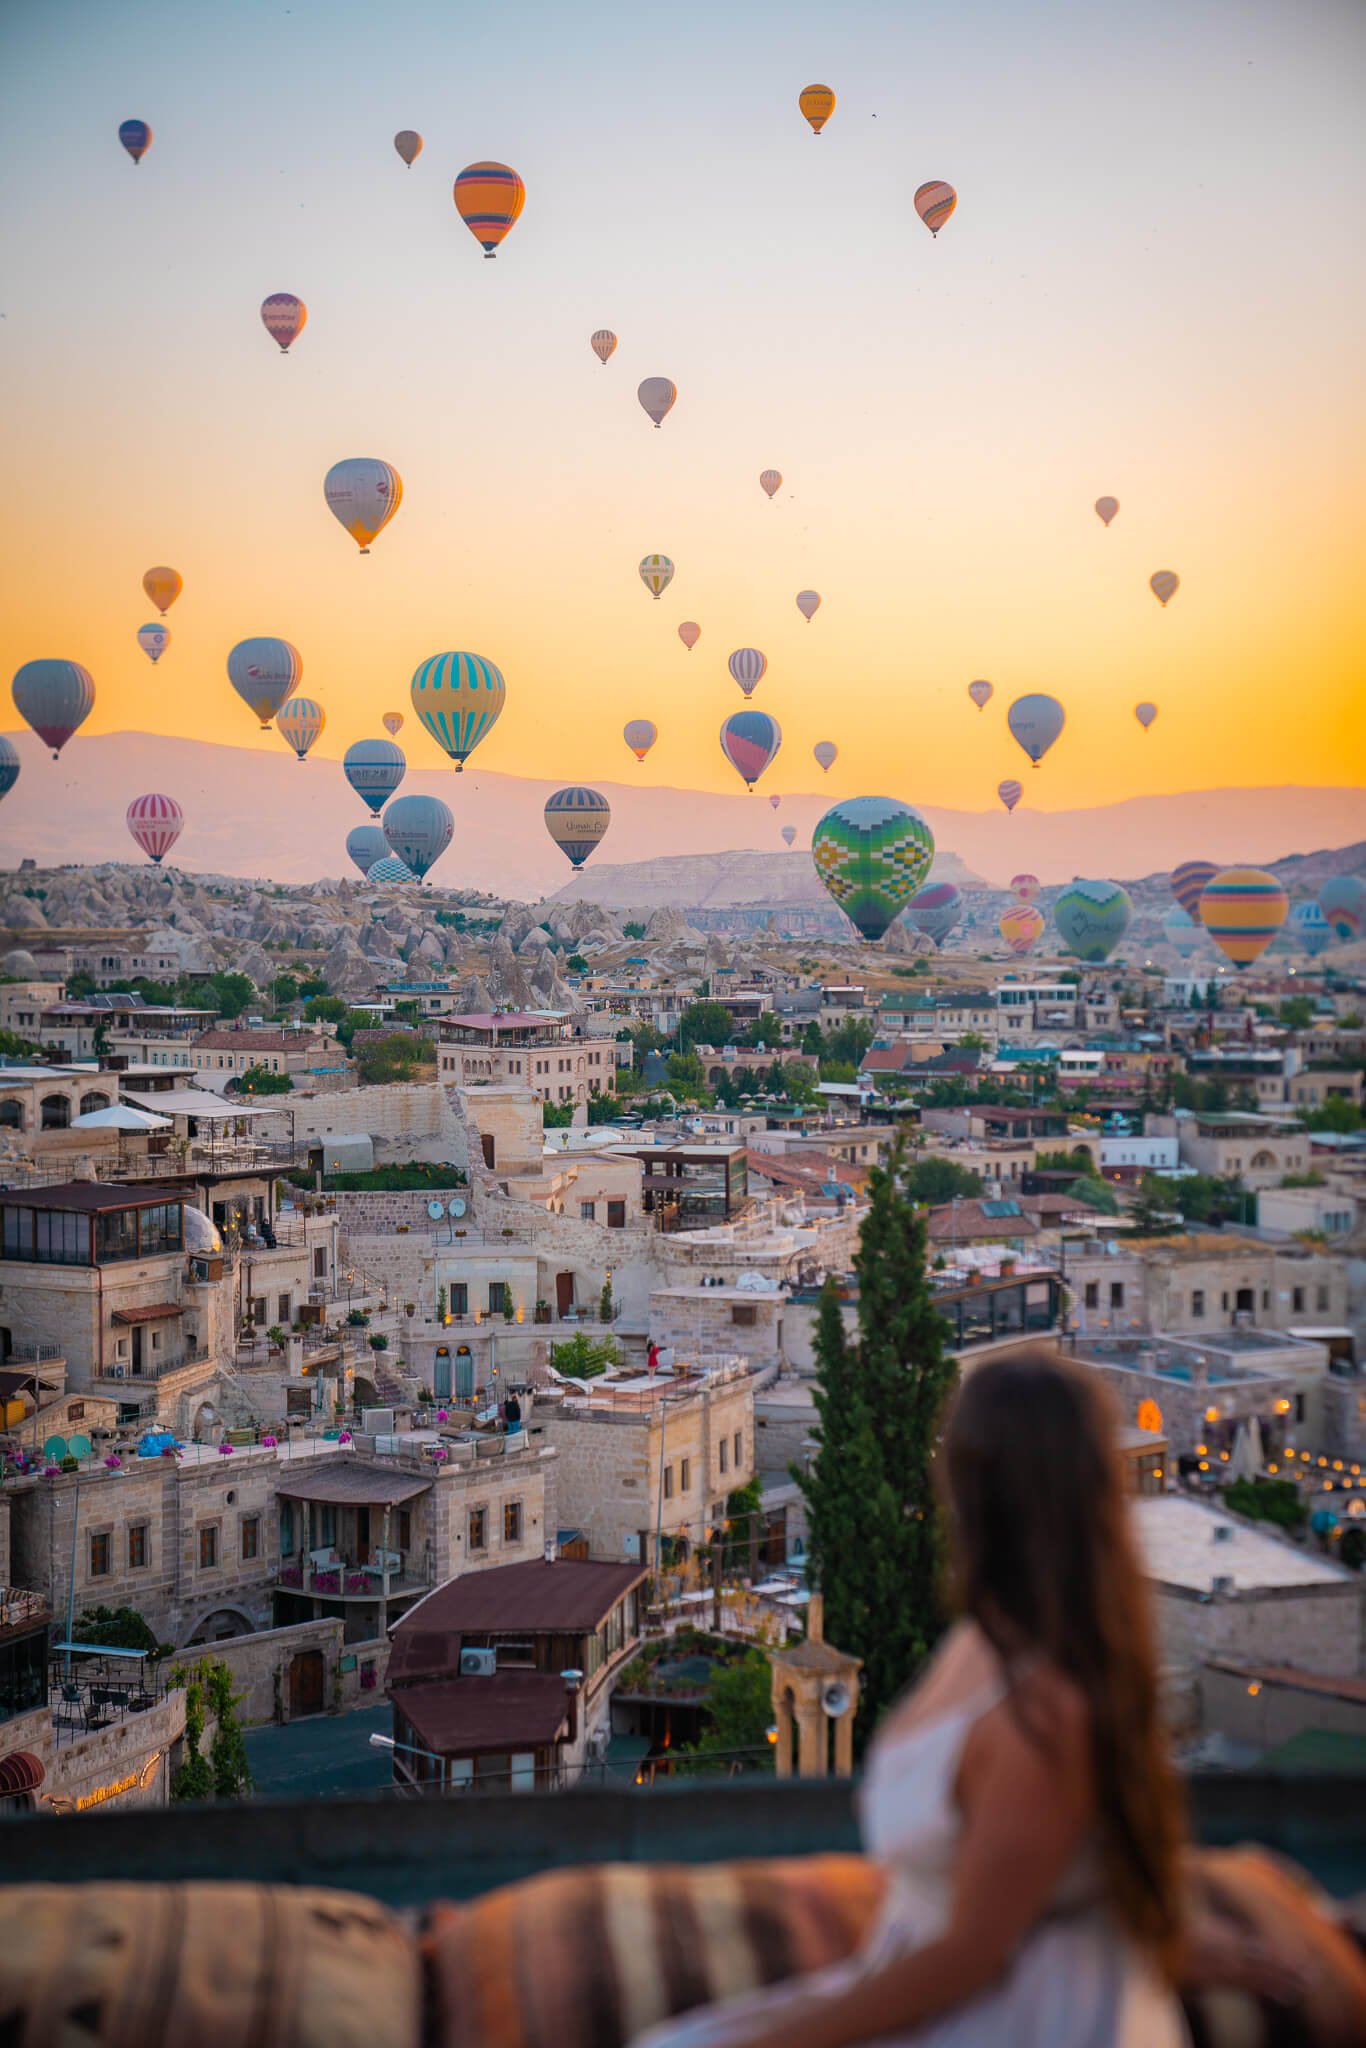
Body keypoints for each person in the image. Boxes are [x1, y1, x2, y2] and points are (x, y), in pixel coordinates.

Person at [631, 1348, 1189, 2047]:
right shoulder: (988, 1647)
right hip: (937, 1983)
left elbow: (972, 1959)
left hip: (1022, 2017)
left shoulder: (1041, 1708)